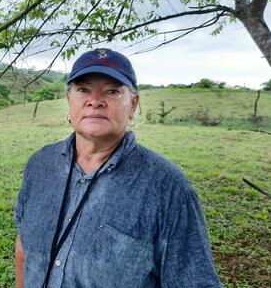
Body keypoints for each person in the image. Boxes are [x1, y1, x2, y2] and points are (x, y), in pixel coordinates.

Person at [14, 48, 223, 288]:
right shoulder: (39, 165)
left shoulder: (168, 189)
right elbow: (24, 248)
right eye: (83, 89)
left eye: (112, 91)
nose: (95, 101)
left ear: (133, 105)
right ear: (69, 99)